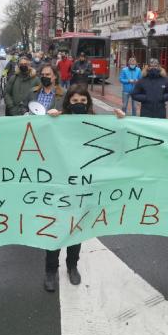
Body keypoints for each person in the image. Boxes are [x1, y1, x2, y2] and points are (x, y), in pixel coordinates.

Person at [43, 85, 125, 292]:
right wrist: (47, 118)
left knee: (76, 229)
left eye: (82, 101)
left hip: (84, 186)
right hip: (60, 186)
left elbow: (116, 142)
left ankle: (72, 266)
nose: (78, 104)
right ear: (68, 102)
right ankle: (50, 270)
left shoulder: (96, 123)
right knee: (55, 227)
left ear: (87, 103)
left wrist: (122, 121)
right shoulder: (57, 121)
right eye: (74, 101)